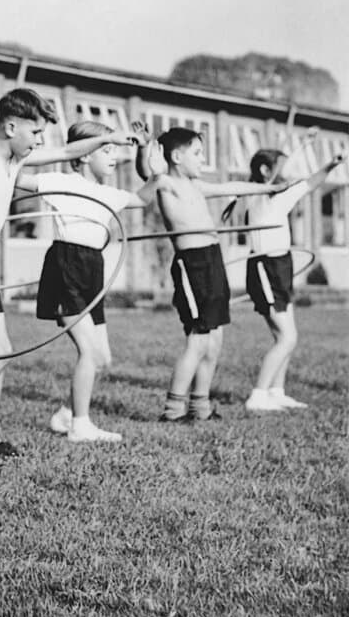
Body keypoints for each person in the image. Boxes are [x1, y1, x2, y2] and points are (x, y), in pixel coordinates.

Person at [0, 88, 139, 461]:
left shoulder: (14, 162)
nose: (41, 141)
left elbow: (67, 152)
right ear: (11, 126)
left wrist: (108, 138)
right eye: (36, 132)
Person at [17, 120, 161, 442]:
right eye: (106, 150)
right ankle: (80, 425)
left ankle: (66, 414)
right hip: (66, 265)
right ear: (83, 156)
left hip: (92, 269)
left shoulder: (107, 193)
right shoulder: (58, 181)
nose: (114, 157)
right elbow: (13, 174)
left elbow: (143, 199)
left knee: (103, 358)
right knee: (89, 352)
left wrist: (156, 172)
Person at [135, 127, 286, 422]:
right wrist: (143, 149)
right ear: (177, 157)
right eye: (198, 153)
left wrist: (269, 188)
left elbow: (233, 186)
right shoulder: (166, 183)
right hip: (191, 265)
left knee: (215, 340)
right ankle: (173, 410)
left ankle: (200, 406)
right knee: (198, 339)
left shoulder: (198, 186)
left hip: (213, 260)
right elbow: (145, 173)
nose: (203, 159)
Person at [229, 134, 345, 411]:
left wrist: (329, 165)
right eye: (282, 170)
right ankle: (258, 395)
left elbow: (307, 183)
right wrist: (326, 165)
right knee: (287, 337)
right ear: (266, 172)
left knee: (285, 335)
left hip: (279, 266)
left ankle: (276, 391)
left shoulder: (269, 196)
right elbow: (309, 184)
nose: (289, 177)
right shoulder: (264, 196)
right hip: (266, 267)